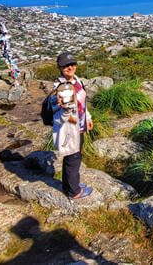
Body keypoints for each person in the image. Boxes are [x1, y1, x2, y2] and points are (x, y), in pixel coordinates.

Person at [51, 51, 93, 200]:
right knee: (73, 159)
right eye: (66, 65)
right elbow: (62, 113)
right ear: (60, 68)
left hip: (79, 126)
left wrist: (87, 117)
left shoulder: (76, 81)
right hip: (69, 129)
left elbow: (82, 104)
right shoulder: (61, 87)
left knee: (72, 157)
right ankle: (74, 192)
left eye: (72, 64)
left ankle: (68, 185)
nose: (70, 67)